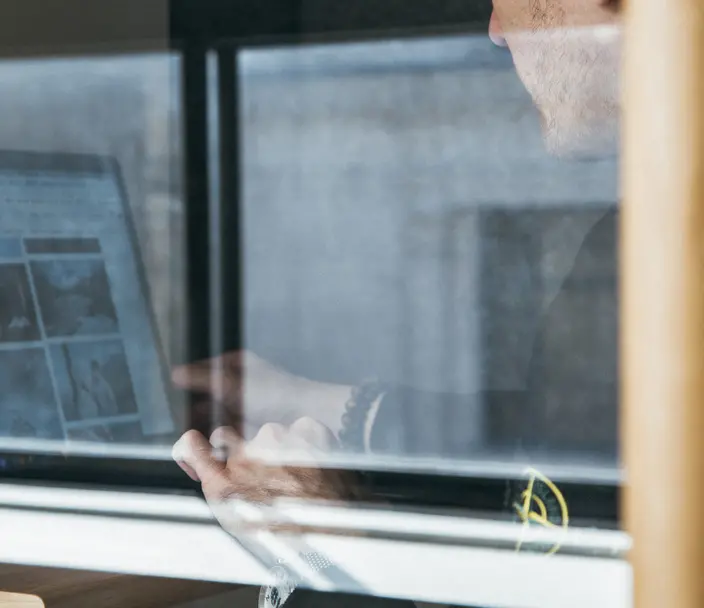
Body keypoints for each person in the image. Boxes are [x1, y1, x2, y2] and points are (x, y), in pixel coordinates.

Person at [171, 0, 623, 604]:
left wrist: (329, 550)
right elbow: (558, 467)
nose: (495, 32)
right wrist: (324, 404)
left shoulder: (662, 269)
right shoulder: (636, 243)